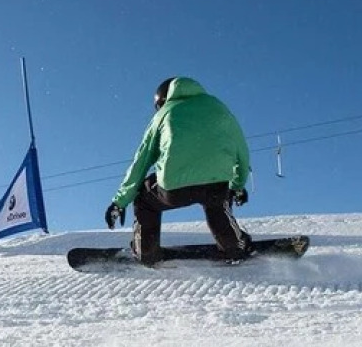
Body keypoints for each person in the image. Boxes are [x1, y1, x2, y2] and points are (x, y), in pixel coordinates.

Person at [104, 76, 253, 266]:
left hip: (174, 187)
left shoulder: (164, 114)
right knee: (217, 201)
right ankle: (234, 247)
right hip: (216, 183)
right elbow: (241, 151)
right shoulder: (219, 107)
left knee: (144, 198)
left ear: (162, 100)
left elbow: (141, 162)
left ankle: (146, 252)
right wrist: (238, 186)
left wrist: (119, 202)